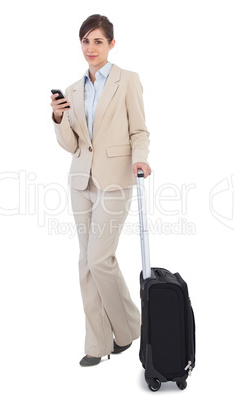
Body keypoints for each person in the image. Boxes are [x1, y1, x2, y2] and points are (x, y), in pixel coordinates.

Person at [50, 14, 151, 367]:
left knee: (99, 259)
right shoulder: (74, 88)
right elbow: (72, 145)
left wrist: (141, 159)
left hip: (114, 180)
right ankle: (97, 343)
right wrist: (59, 119)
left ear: (111, 43)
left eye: (97, 41)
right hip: (81, 181)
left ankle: (129, 330)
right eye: (85, 41)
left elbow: (139, 131)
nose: (90, 48)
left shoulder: (127, 81)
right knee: (86, 262)